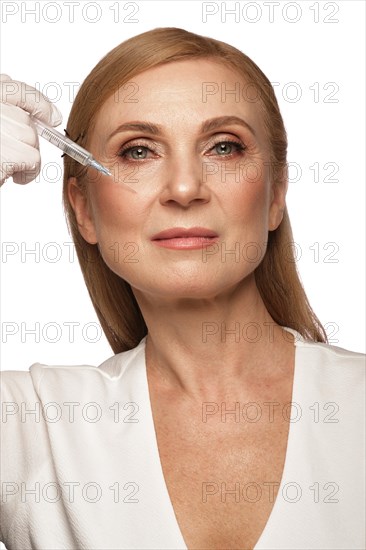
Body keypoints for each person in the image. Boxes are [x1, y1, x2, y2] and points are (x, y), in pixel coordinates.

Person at [0, 27, 364, 550]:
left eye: (223, 146)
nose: (186, 188)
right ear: (84, 209)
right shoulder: (32, 424)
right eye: (139, 151)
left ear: (276, 195)